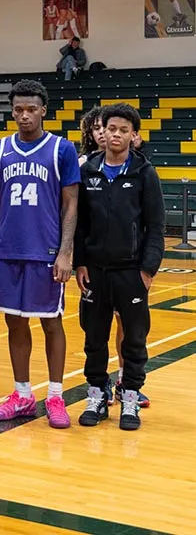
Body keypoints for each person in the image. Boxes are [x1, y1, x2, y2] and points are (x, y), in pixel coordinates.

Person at [0, 79, 80, 429]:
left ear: (43, 111)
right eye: (18, 110)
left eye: (30, 109)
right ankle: (22, 394)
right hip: (9, 251)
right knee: (14, 321)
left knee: (51, 323)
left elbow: (71, 204)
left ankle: (55, 395)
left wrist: (65, 252)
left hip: (46, 252)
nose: (24, 116)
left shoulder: (61, 149)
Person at [74, 103, 165, 431]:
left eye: (123, 130)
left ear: (134, 136)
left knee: (135, 338)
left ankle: (131, 395)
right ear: (102, 131)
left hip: (131, 272)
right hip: (94, 271)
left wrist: (147, 271)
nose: (115, 134)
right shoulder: (88, 171)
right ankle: (97, 393)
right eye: (111, 128)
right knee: (94, 337)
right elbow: (80, 223)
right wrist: (79, 262)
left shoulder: (144, 173)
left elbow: (156, 226)